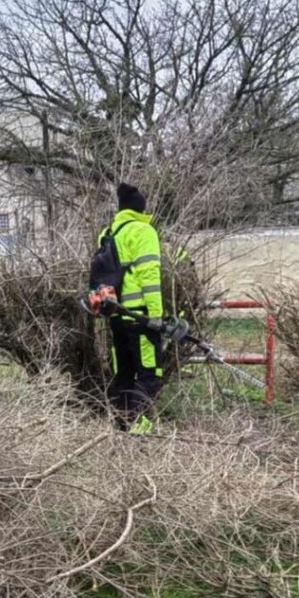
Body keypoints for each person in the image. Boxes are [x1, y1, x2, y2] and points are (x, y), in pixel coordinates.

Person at [98, 182, 164, 434]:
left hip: (115, 314)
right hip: (139, 317)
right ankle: (139, 427)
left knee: (124, 373)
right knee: (150, 374)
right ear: (141, 208)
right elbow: (149, 275)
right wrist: (156, 316)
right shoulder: (143, 232)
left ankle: (122, 425)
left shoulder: (109, 233)